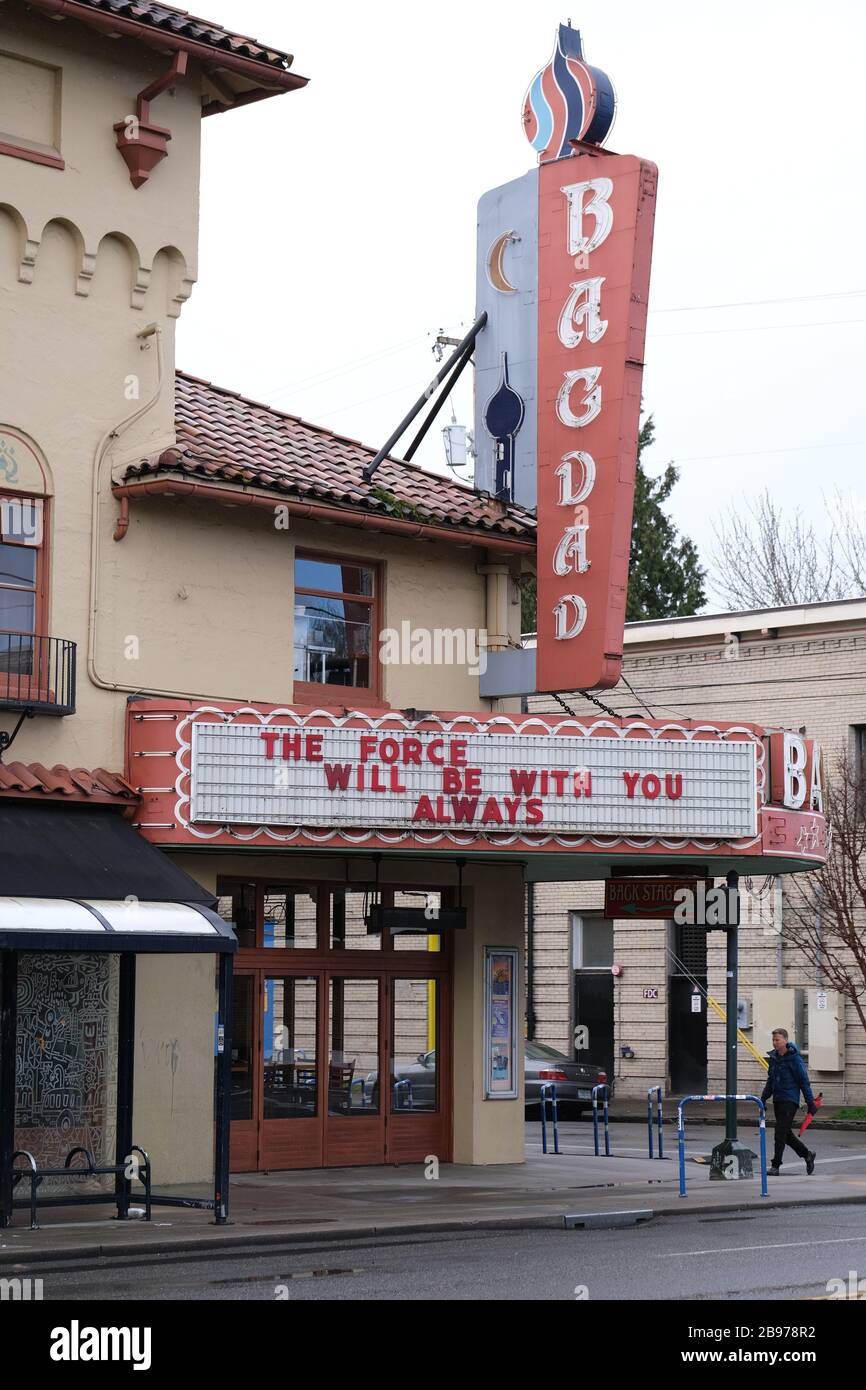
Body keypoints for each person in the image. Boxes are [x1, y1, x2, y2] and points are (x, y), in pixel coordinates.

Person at [761, 1028, 817, 1176]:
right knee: (786, 1134)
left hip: (790, 1101)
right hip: (778, 1100)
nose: (775, 1043)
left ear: (785, 1040)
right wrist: (763, 1097)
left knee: (779, 1133)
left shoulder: (794, 1058)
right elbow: (771, 1080)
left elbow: (803, 1082)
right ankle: (807, 1155)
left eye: (777, 1040)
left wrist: (810, 1102)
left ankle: (775, 1166)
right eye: (773, 1040)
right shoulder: (774, 1058)